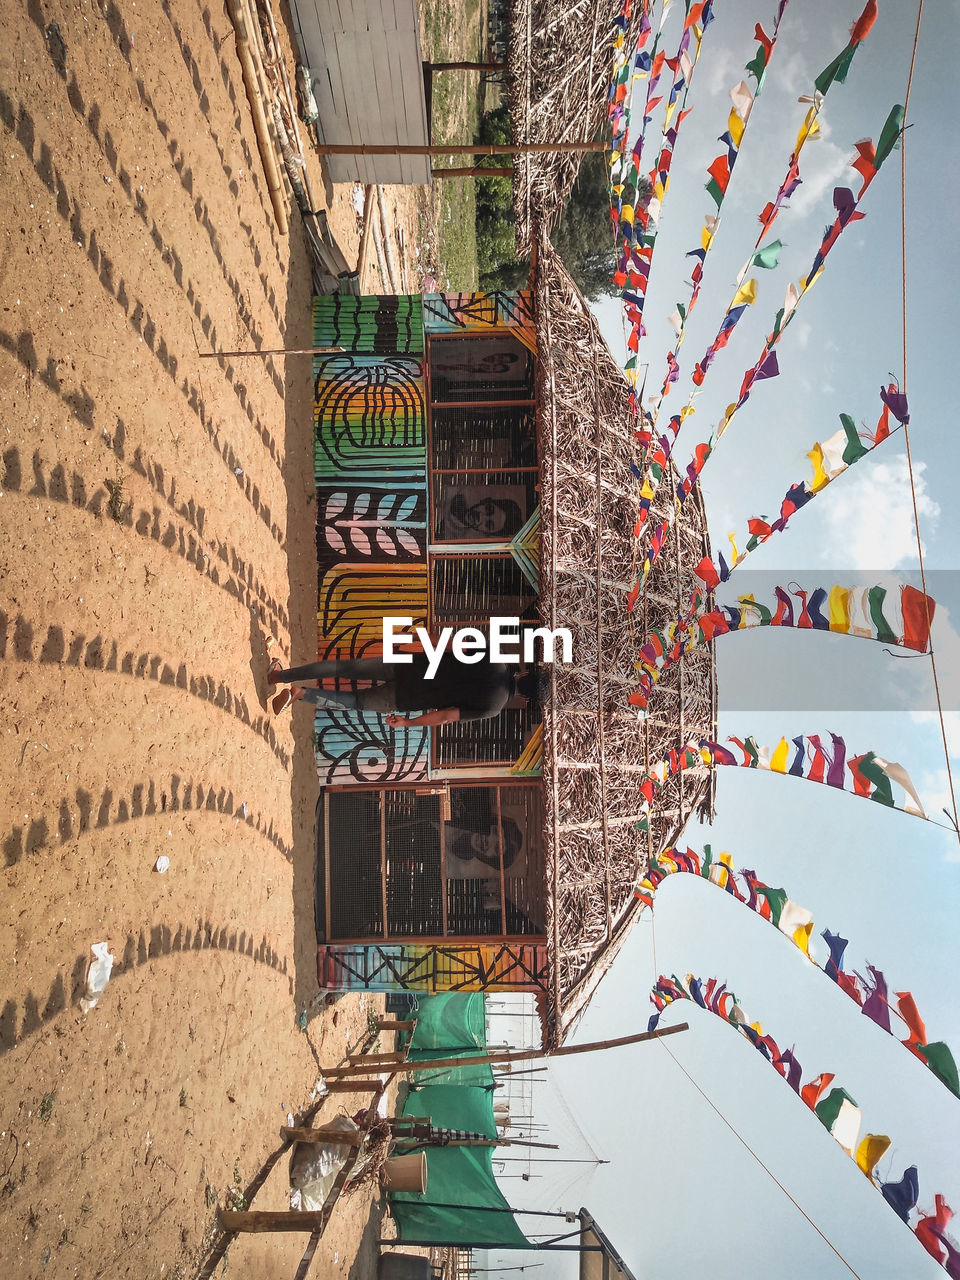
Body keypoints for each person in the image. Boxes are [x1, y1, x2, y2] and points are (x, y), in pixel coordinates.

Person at [267, 651, 546, 723]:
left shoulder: (495, 659)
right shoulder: (493, 708)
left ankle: (281, 676)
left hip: (409, 665)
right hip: (408, 698)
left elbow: (451, 649)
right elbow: (447, 715)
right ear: (525, 698)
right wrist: (408, 723)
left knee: (345, 667)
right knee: (354, 702)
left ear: (525, 671)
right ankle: (302, 694)